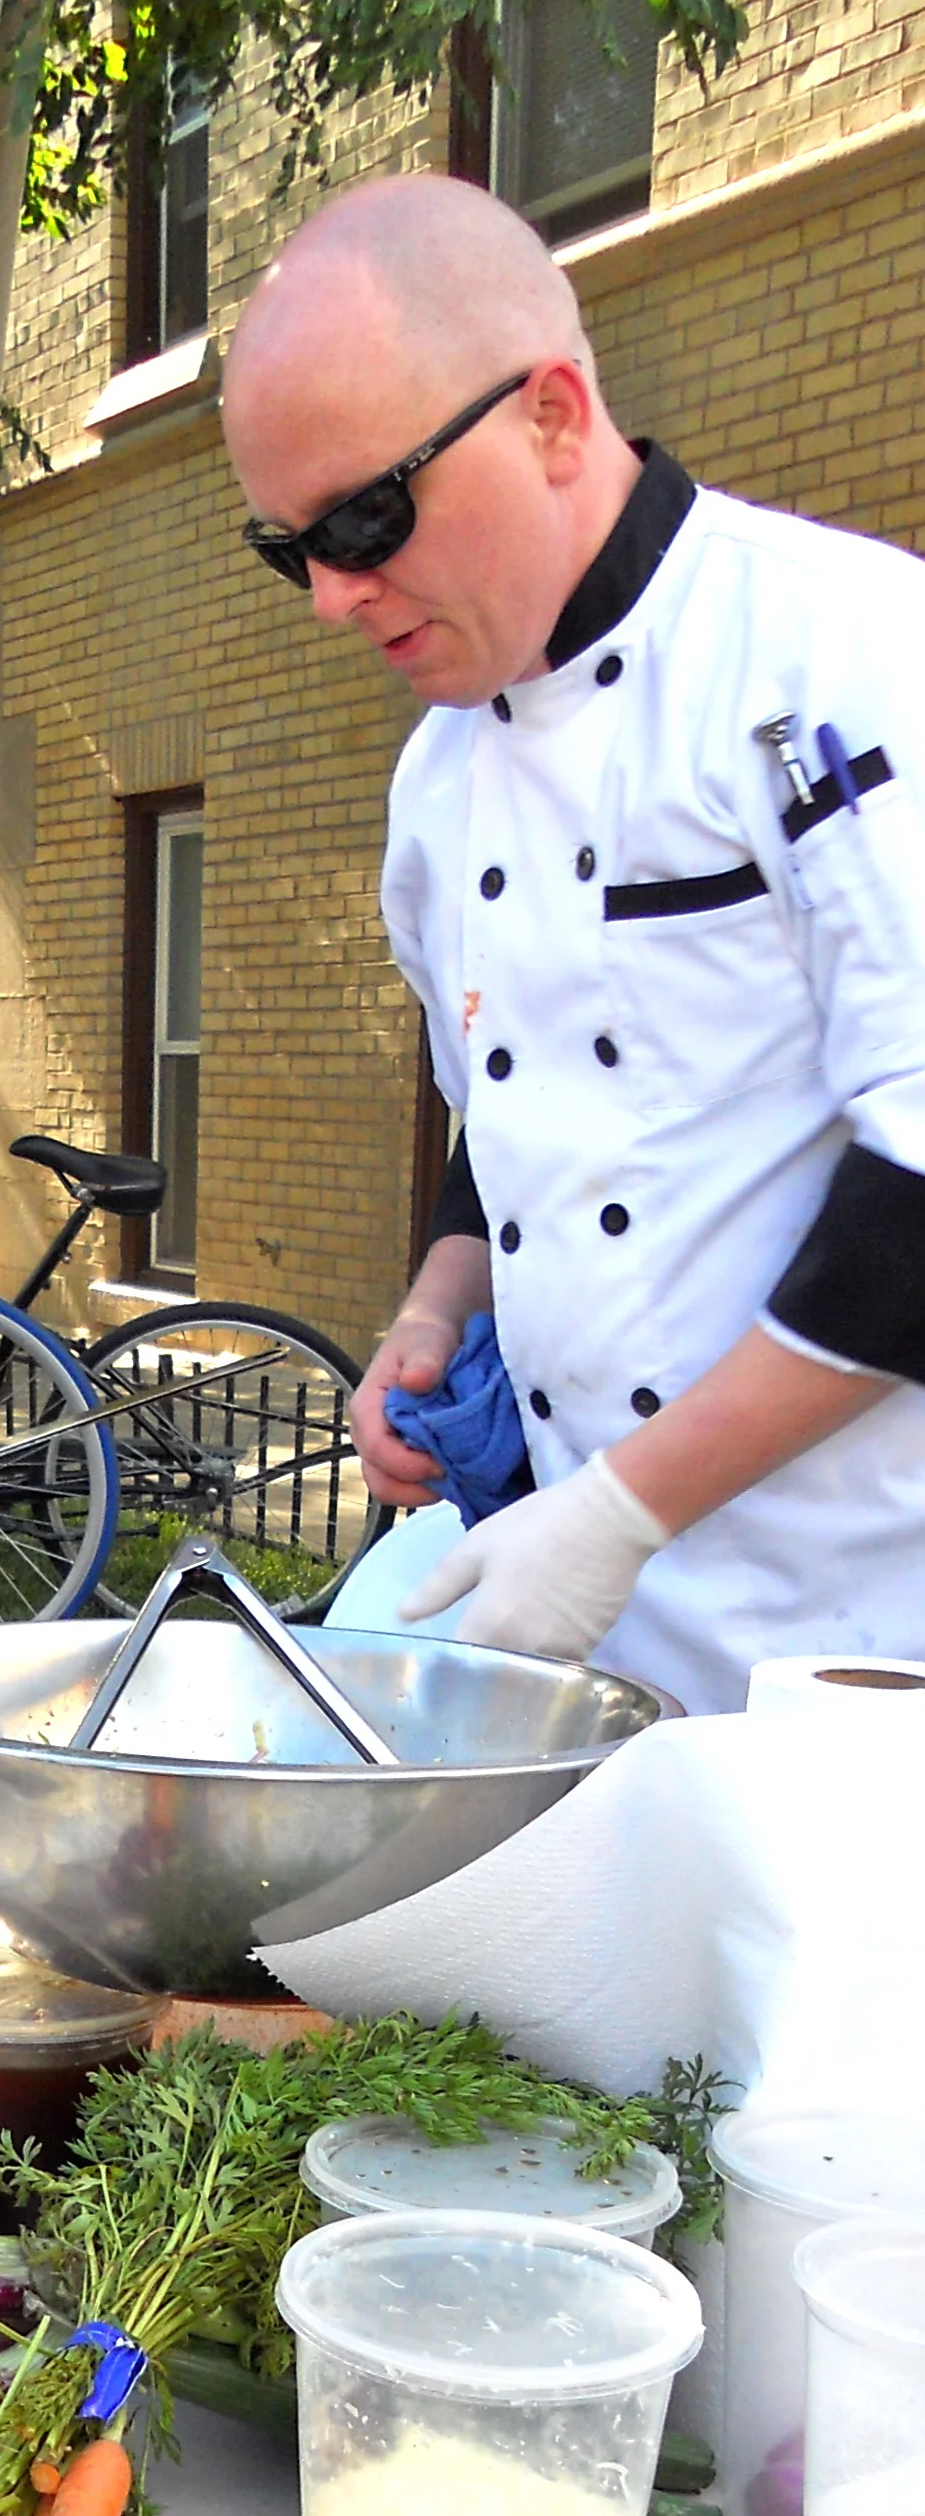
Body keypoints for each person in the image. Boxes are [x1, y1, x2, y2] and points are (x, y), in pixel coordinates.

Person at [221, 178, 925, 1715]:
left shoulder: (849, 654)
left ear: (551, 415)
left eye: (364, 518)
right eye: (293, 550)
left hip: (866, 1650)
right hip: (577, 1642)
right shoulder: (439, 779)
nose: (337, 593)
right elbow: (514, 1105)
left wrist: (622, 1511)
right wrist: (435, 1308)